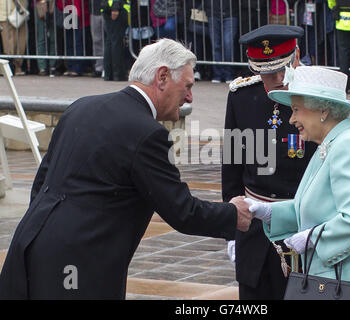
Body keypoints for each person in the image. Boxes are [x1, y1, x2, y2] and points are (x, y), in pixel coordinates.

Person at [0, 38, 252, 300]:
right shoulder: (148, 133)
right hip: (80, 268)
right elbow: (182, 211)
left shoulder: (81, 107)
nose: (190, 97)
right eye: (187, 86)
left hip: (28, 248)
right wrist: (233, 214)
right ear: (162, 77)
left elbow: (41, 184)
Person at [249, 66, 350, 300]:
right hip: (339, 278)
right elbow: (313, 208)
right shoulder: (332, 144)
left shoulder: (348, 146)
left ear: (323, 111)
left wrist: (312, 238)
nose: (292, 119)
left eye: (297, 109)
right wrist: (268, 212)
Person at [222, 24, 317, 300]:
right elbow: (233, 165)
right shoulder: (242, 96)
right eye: (265, 72)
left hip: (301, 224)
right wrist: (231, 230)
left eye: (280, 70)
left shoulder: (315, 97)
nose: (274, 79)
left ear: (296, 58)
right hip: (254, 229)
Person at [206, 0, 238, 83]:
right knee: (215, 45)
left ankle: (229, 73)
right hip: (213, 12)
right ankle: (218, 74)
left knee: (228, 43)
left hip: (231, 12)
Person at [101, 0, 130, 81]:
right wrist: (115, 8)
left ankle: (109, 74)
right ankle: (118, 74)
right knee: (116, 43)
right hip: (117, 9)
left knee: (110, 42)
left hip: (109, 8)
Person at [0, 0, 28, 75]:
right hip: (8, 12)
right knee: (10, 43)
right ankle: (12, 67)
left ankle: (15, 67)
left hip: (18, 11)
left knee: (18, 42)